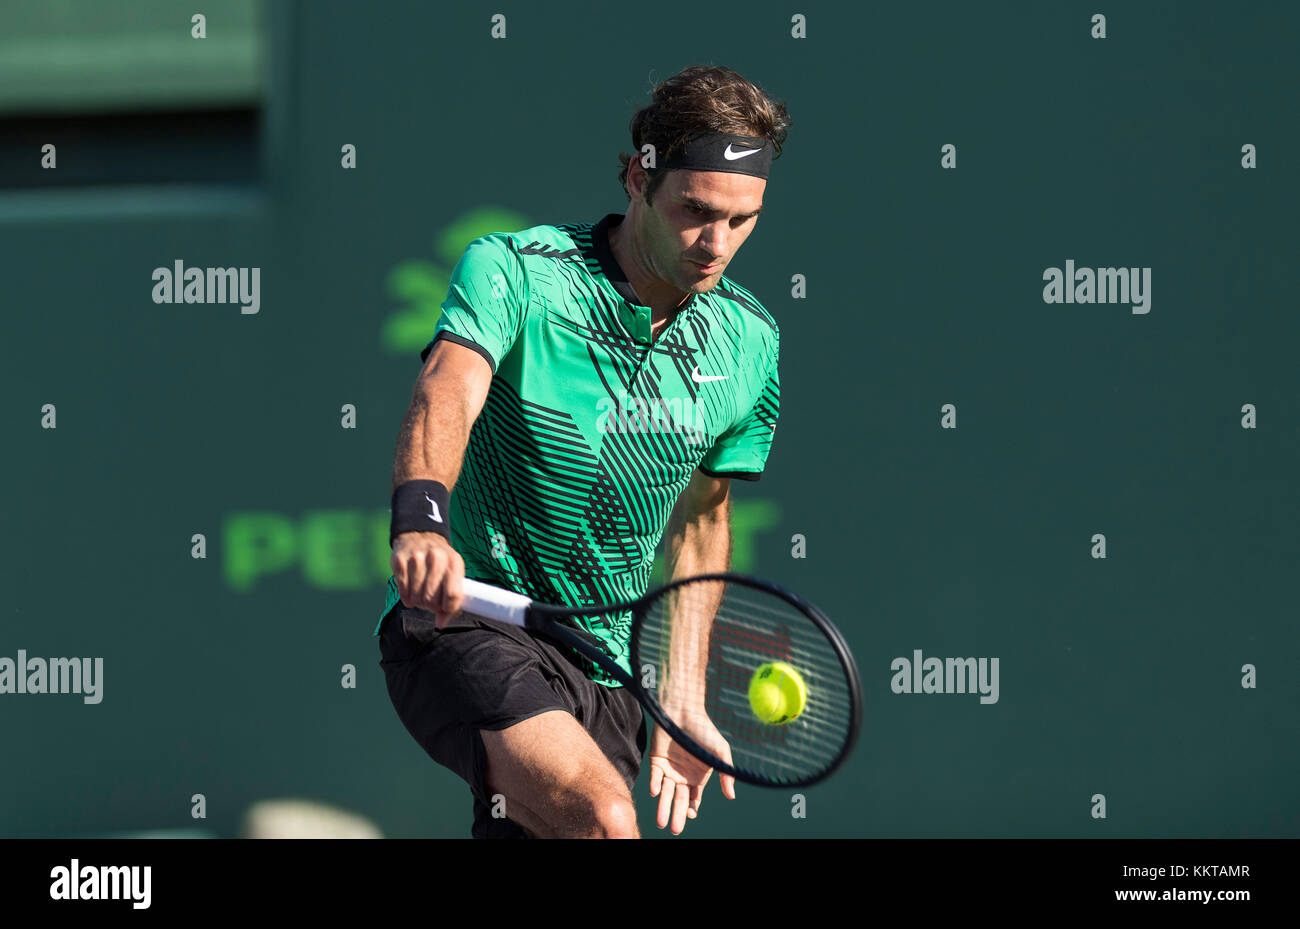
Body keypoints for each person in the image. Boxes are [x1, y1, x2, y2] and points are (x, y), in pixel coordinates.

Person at [375, 64, 789, 838]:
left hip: (609, 675)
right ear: (638, 176)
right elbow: (449, 389)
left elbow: (702, 520)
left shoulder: (750, 341)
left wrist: (685, 693)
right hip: (470, 622)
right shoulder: (519, 274)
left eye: (742, 220)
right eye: (696, 211)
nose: (715, 244)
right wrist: (422, 517)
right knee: (605, 816)